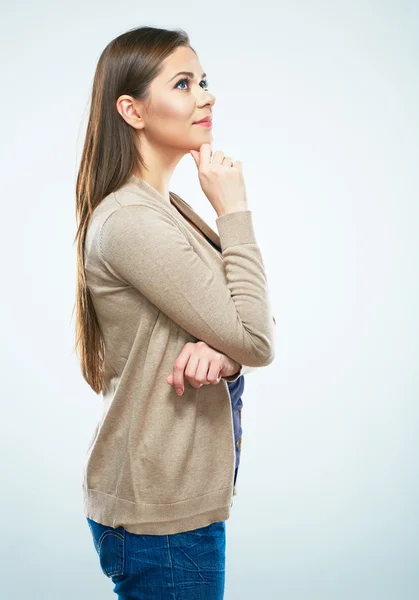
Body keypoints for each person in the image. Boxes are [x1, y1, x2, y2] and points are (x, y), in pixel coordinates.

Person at [73, 24, 276, 599]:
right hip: (161, 514)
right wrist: (234, 210)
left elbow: (249, 322)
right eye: (184, 83)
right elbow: (257, 337)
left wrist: (224, 355)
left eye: (203, 81)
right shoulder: (133, 221)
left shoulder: (168, 208)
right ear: (132, 111)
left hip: (177, 499)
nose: (206, 96)